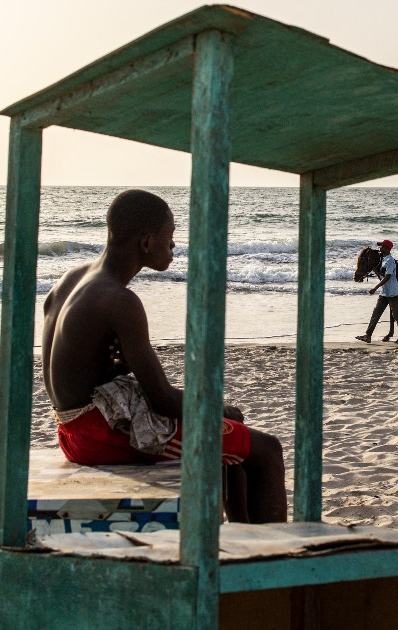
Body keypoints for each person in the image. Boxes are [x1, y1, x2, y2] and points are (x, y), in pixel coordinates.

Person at [41, 189, 287, 524]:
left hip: (71, 428)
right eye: (169, 238)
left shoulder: (72, 280)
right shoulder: (119, 300)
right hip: (98, 435)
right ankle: (269, 564)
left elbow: (74, 373)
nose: (173, 247)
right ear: (145, 242)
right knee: (268, 451)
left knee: (231, 426)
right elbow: (163, 401)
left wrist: (115, 368)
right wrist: (216, 406)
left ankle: (240, 538)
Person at [355, 239, 398, 345]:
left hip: (392, 292)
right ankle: (368, 335)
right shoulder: (383, 260)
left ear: (387, 248)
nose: (380, 248)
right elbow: (382, 276)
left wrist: (375, 288)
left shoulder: (390, 261)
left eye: (382, 246)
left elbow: (388, 277)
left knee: (397, 316)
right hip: (385, 292)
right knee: (376, 314)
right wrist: (376, 272)